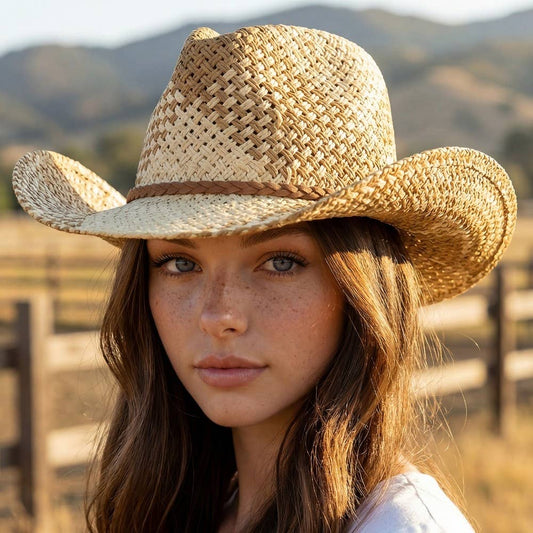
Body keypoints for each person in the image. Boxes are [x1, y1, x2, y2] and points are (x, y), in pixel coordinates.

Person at [12, 24, 516, 532]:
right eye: (179, 264)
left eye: (279, 262)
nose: (218, 316)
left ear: (363, 290)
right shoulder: (184, 509)